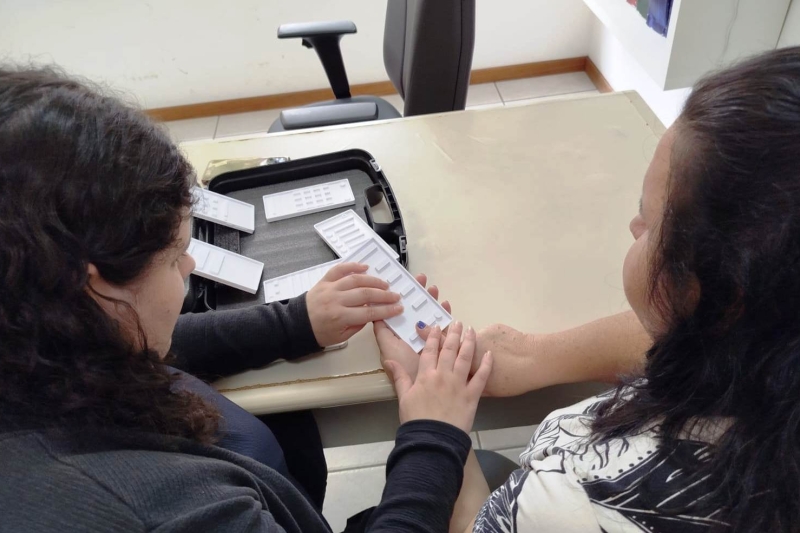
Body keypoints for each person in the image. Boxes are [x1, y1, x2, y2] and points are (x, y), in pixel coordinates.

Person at [0, 66, 492, 533]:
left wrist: (296, 322)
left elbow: (151, 338)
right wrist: (433, 435)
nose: (189, 268)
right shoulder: (166, 511)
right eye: (174, 257)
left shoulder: (39, 341)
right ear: (96, 284)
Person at [379, 47, 800, 532]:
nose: (635, 225)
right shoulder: (765, 343)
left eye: (651, 218)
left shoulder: (586, 506)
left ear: (715, 292)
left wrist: (437, 432)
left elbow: (479, 523)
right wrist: (536, 355)